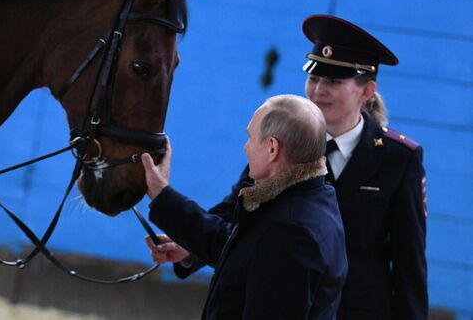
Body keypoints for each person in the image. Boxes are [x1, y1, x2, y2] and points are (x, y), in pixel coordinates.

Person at [145, 15, 428, 320]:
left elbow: (408, 262)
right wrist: (191, 249)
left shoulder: (399, 158)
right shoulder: (286, 140)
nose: (319, 90)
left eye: (333, 81)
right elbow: (239, 214)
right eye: (314, 78)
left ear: (367, 90)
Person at [142, 94, 348, 319]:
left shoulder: (288, 232)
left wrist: (161, 195)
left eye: (250, 137)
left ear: (272, 148)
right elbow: (242, 246)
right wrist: (163, 197)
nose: (245, 148)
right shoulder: (311, 198)